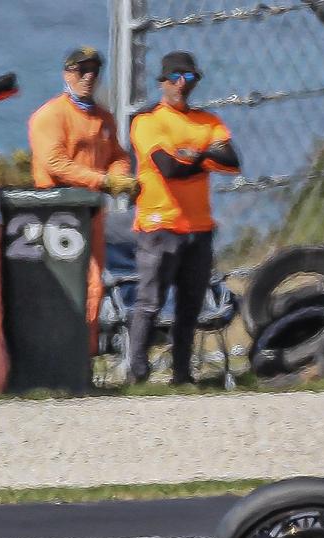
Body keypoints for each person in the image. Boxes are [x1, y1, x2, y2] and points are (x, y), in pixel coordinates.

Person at [127, 50, 241, 385]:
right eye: (176, 78)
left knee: (189, 307)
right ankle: (137, 374)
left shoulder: (208, 121)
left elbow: (233, 161)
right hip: (159, 227)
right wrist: (205, 158)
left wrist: (193, 156)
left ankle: (182, 375)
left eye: (190, 79)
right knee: (150, 303)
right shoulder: (147, 121)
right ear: (163, 81)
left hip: (199, 229)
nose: (182, 84)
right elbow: (168, 168)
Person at [28, 45, 138, 353]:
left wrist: (121, 176)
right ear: (67, 74)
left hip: (92, 214)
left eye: (94, 71)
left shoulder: (104, 118)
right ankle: (57, 356)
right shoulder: (50, 116)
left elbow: (117, 154)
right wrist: (104, 180)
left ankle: (82, 360)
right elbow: (55, 163)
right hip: (57, 214)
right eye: (81, 71)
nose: (88, 77)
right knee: (62, 287)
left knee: (93, 285)